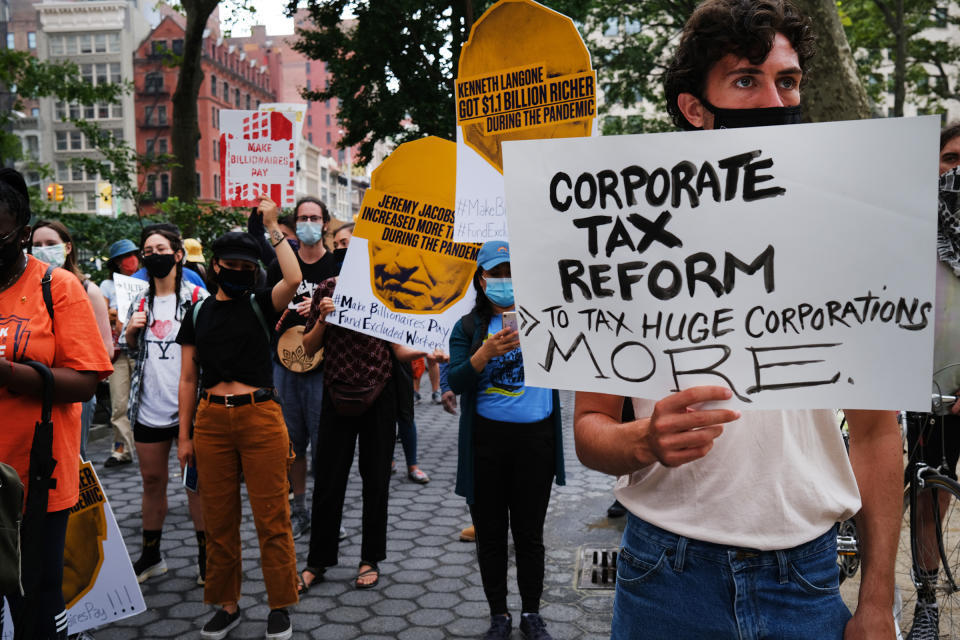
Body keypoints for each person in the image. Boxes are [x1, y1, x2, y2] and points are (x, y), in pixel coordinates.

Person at [574, 2, 902, 639]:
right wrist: (641, 441)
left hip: (804, 581)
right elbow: (590, 430)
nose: (777, 100)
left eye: (789, 80)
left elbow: (875, 435)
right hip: (665, 577)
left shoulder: (855, 236)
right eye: (747, 80)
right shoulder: (625, 238)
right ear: (696, 108)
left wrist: (878, 601)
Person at [176, 196, 301, 640]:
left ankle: (281, 605)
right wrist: (184, 435)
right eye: (231, 264)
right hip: (210, 421)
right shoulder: (196, 312)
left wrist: (271, 228)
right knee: (218, 518)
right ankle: (225, 605)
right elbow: (188, 378)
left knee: (273, 518)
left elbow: (294, 276)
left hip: (261, 418)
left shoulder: (263, 303)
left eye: (247, 266)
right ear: (214, 266)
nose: (239, 271)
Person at [0, 168, 113, 638]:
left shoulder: (57, 287)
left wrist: (7, 374)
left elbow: (86, 381)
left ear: (22, 233)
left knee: (36, 599)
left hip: (36, 481)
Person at [447, 240, 565, 640]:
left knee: (530, 534)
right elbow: (458, 381)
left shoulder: (548, 318)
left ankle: (532, 613)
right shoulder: (467, 328)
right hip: (487, 445)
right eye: (496, 274)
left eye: (512, 272)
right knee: (491, 534)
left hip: (536, 442)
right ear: (481, 280)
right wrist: (483, 354)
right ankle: (499, 615)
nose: (505, 281)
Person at [298, 240, 429, 593]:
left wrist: (434, 349)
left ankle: (370, 558)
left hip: (379, 394)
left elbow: (399, 350)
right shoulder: (326, 289)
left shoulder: (388, 292)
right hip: (336, 392)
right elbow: (308, 348)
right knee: (328, 480)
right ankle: (318, 561)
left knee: (376, 479)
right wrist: (323, 318)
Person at [122, 226, 207, 584]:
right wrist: (130, 333)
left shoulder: (199, 298)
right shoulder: (139, 300)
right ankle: (151, 554)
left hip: (193, 408)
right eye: (147, 249)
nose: (153, 254)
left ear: (177, 255)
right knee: (151, 480)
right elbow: (131, 352)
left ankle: (208, 558)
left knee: (196, 484)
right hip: (149, 406)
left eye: (160, 248)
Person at [903, 125, 960, 640]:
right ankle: (925, 600)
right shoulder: (911, 229)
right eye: (950, 158)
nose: (957, 170)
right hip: (915, 384)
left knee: (938, 492)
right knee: (925, 495)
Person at [268, 197, 339, 540]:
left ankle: (326, 515)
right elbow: (266, 308)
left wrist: (325, 309)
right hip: (285, 366)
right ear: (295, 224)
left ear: (326, 223)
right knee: (291, 445)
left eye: (315, 217)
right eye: (302, 218)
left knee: (326, 444)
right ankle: (299, 510)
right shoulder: (280, 264)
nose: (309, 223)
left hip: (326, 367)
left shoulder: (339, 266)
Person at [30, 220, 114, 459]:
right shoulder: (26, 289)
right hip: (31, 388)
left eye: (50, 243)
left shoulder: (88, 290)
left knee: (73, 458)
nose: (43, 249)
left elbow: (105, 351)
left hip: (74, 390)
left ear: (67, 248)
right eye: (37, 245)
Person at [100, 238, 140, 467]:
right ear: (115, 263)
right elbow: (102, 314)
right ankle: (121, 450)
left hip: (141, 349)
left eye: (132, 254)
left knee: (148, 401)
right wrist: (114, 314)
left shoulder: (147, 280)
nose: (129, 261)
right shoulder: (107, 286)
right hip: (117, 352)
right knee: (118, 405)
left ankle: (152, 445)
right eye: (124, 257)